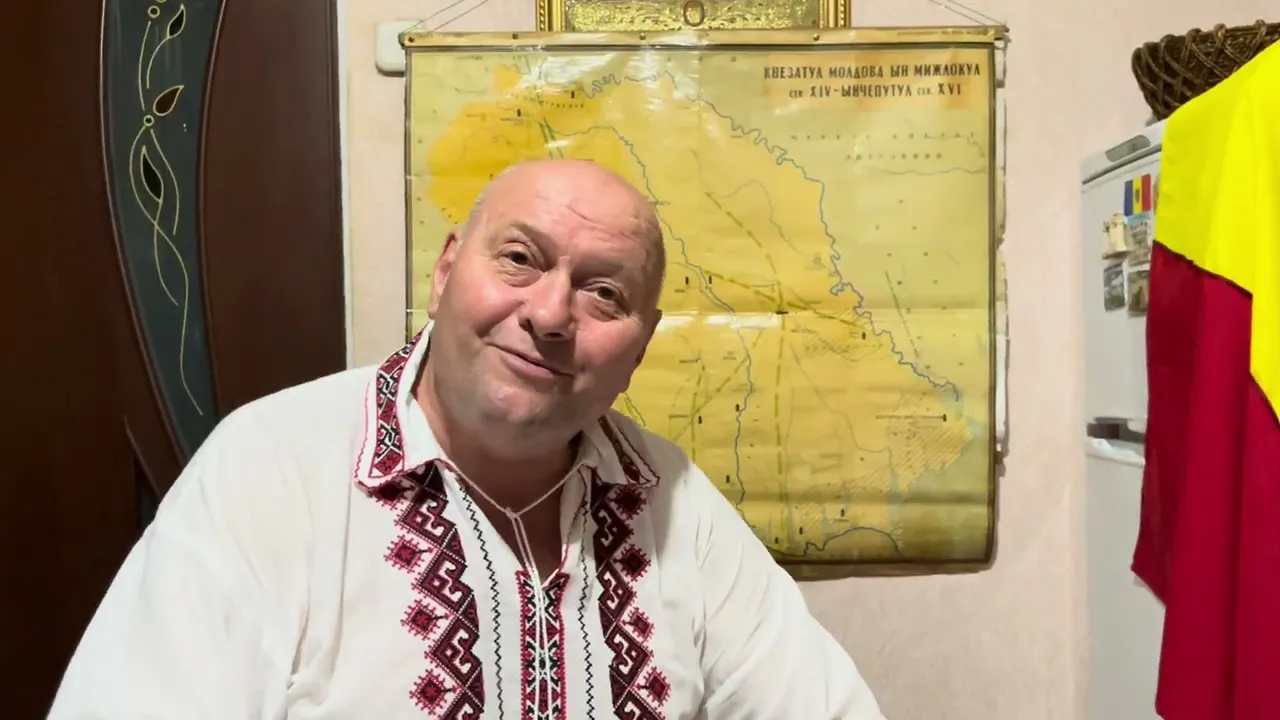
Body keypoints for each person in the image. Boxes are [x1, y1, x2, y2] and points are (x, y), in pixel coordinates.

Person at [49, 159, 885, 719]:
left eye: (604, 293)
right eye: (520, 258)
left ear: (640, 346)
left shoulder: (677, 505)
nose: (551, 315)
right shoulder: (271, 470)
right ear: (447, 270)